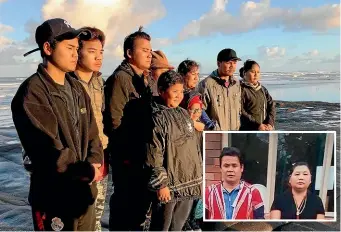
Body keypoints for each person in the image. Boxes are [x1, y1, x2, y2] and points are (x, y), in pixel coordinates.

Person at [12, 18, 103, 231]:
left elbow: (93, 134)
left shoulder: (77, 88)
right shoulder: (32, 93)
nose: (76, 54)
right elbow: (47, 149)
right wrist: (85, 170)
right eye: (70, 48)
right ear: (47, 47)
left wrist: (94, 163)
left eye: (77, 48)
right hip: (54, 199)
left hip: (84, 195)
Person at [103, 26, 153, 231]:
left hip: (140, 154)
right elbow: (115, 121)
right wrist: (129, 152)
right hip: (128, 156)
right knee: (125, 205)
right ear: (129, 53)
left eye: (150, 50)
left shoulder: (142, 78)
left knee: (138, 206)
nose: (149, 54)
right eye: (144, 50)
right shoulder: (121, 78)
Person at [146, 70, 202, 231]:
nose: (179, 95)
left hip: (188, 183)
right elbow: (154, 153)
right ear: (162, 91)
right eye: (174, 91)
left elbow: (193, 147)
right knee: (162, 226)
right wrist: (161, 184)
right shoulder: (157, 117)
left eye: (181, 91)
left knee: (178, 225)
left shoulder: (184, 114)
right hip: (169, 185)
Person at [69, 26, 108, 231]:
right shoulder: (66, 83)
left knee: (96, 218)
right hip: (76, 166)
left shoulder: (99, 82)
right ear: (77, 51)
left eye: (101, 52)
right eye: (92, 51)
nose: (98, 57)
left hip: (99, 160)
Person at [205, 147, 264, 220]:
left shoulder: (253, 193)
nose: (230, 170)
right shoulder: (208, 193)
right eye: (226, 166)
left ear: (241, 168)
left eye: (234, 166)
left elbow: (260, 224)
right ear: (220, 168)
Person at [198, 48, 242, 131]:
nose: (232, 66)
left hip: (234, 133)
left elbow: (239, 108)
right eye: (228, 62)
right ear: (219, 63)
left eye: (234, 63)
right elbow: (199, 109)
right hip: (215, 134)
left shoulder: (236, 83)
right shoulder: (206, 84)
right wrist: (211, 125)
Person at [178, 59, 216, 131]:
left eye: (197, 74)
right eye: (193, 74)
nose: (196, 78)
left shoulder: (190, 94)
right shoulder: (191, 97)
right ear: (182, 75)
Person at [239, 59, 275, 131]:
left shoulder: (262, 89)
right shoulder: (240, 89)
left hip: (265, 128)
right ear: (245, 72)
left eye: (258, 72)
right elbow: (240, 111)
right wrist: (257, 125)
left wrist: (270, 123)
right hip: (248, 129)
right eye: (252, 72)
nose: (256, 75)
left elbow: (271, 105)